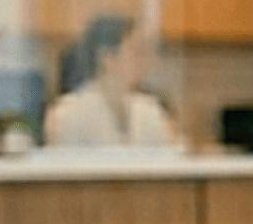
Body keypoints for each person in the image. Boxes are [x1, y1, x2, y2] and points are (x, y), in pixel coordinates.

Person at [42, 15, 180, 149]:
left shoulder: (150, 111)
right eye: (136, 52)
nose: (146, 60)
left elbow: (172, 161)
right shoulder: (69, 114)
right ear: (108, 58)